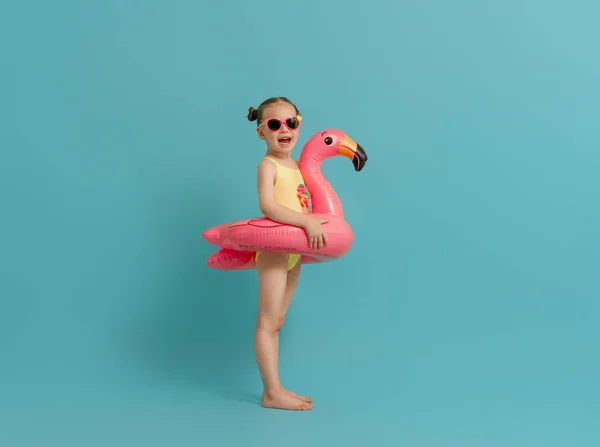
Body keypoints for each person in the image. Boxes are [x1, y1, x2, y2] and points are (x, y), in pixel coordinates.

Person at [248, 97, 328, 411]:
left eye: (290, 123)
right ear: (261, 133)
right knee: (267, 322)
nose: (284, 130)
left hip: (295, 251)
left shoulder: (298, 165)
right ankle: (271, 392)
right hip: (273, 250)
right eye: (274, 124)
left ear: (299, 123)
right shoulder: (267, 166)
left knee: (278, 320)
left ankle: (277, 386)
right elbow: (268, 205)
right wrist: (306, 221)